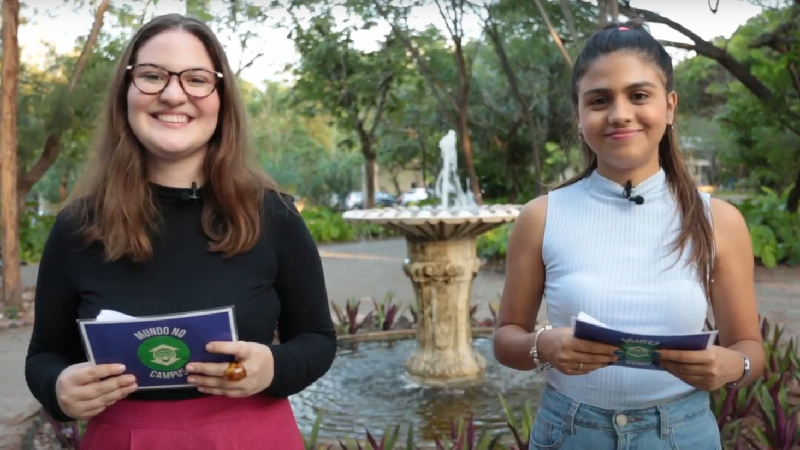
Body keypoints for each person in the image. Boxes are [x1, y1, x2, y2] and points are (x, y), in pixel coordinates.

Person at [24, 14, 337, 449]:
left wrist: (273, 367)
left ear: (222, 99)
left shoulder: (273, 215)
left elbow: (318, 340)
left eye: (196, 79)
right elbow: (44, 356)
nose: (173, 95)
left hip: (251, 436)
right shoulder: (78, 226)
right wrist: (58, 389)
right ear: (126, 91)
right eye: (152, 76)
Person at [493, 22, 764, 450]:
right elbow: (506, 338)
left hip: (683, 435)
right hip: (571, 434)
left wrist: (733, 365)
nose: (619, 114)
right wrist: (543, 346)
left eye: (638, 95)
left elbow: (750, 349)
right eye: (599, 100)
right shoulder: (542, 216)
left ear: (669, 106)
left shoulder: (719, 221)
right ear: (579, 115)